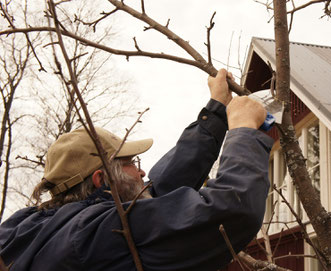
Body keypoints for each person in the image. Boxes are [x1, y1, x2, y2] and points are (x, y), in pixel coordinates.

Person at [0, 69, 274, 271]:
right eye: (130, 164)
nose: (141, 173)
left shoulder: (36, 227)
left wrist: (216, 112)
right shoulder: (94, 233)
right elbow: (230, 210)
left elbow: (156, 191)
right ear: (102, 179)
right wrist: (243, 131)